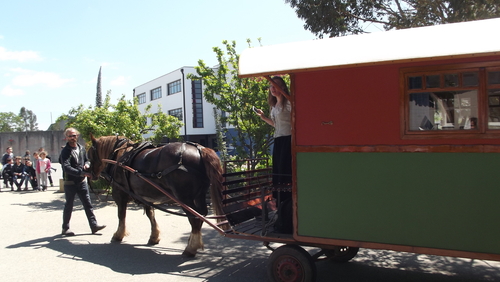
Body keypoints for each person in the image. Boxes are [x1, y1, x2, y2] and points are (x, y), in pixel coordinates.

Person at [60, 127, 105, 236]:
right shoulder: (65, 151)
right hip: (70, 182)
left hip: (81, 182)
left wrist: (87, 164)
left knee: (88, 204)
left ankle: (94, 226)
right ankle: (65, 228)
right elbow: (66, 167)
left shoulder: (81, 148)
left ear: (77, 136)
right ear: (66, 137)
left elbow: (87, 160)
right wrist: (82, 173)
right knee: (69, 205)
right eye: (70, 136)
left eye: (74, 135)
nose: (73, 138)